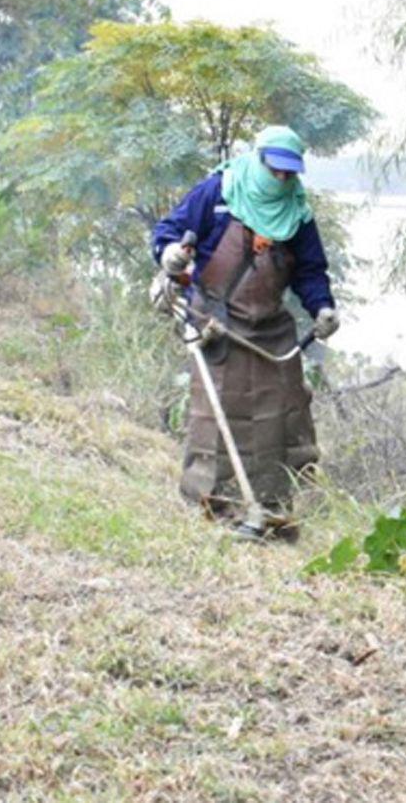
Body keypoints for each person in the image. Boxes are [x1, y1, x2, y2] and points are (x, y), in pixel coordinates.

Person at [151, 125, 340, 537]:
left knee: (281, 414)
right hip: (214, 320)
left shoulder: (298, 213)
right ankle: (212, 503)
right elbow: (169, 230)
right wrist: (168, 253)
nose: (282, 180)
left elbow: (310, 271)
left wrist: (322, 306)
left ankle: (272, 506)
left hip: (270, 327)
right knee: (215, 413)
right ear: (259, 161)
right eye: (275, 171)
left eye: (290, 174)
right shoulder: (219, 192)